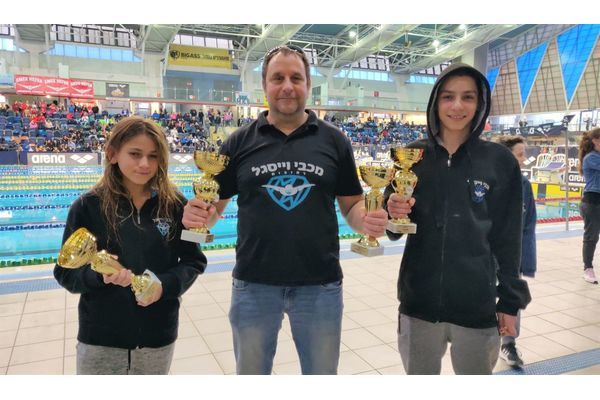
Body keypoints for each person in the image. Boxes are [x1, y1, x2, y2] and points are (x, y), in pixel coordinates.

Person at [182, 44, 388, 375]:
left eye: (296, 78)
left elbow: (351, 205)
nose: (287, 86)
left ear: (308, 84)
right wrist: (198, 215)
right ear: (265, 85)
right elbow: (215, 208)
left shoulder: (334, 141)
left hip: (320, 284)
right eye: (278, 78)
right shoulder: (238, 142)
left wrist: (367, 220)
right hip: (254, 283)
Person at [385, 63, 531, 375]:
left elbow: (509, 238)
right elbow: (393, 228)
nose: (457, 106)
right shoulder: (412, 156)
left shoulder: (499, 161)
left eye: (468, 97)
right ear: (435, 102)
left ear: (480, 104)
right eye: (448, 97)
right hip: (419, 303)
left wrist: (510, 300)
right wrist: (392, 209)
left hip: (477, 303)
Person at [54, 116, 207, 374]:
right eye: (135, 154)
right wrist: (99, 276)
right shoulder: (87, 207)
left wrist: (164, 286)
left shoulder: (176, 205)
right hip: (101, 338)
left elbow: (194, 261)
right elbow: (65, 273)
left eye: (153, 156)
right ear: (113, 154)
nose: (145, 164)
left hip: (157, 336)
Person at [498, 135, 537, 368]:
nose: (524, 159)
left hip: (512, 255)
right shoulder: (488, 182)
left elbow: (529, 224)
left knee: (511, 296)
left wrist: (527, 259)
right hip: (484, 254)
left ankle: (508, 343)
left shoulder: (524, 185)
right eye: (520, 154)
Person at [578, 127, 600, 284]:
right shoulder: (591, 158)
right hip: (593, 202)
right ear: (596, 141)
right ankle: (588, 268)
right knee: (591, 237)